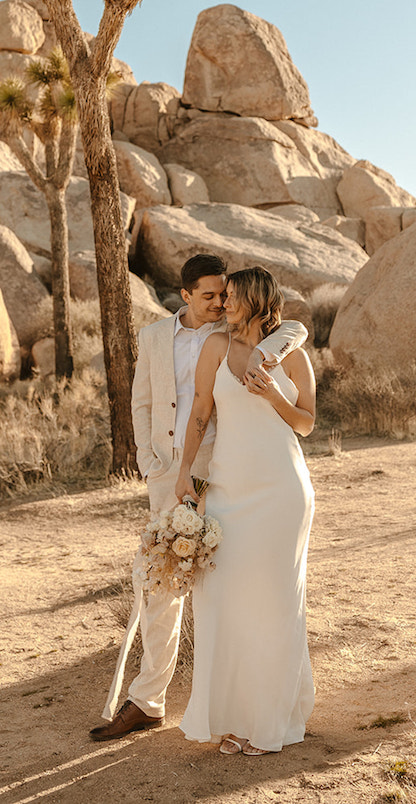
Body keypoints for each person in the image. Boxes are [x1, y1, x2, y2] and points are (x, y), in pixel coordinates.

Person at [90, 254, 308, 742]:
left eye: (224, 294)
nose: (218, 302)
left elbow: (290, 327)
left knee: (227, 587)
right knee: (160, 580)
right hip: (175, 472)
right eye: (208, 295)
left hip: (229, 470)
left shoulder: (254, 337)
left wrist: (280, 348)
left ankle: (245, 700)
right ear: (185, 295)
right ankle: (148, 700)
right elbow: (141, 401)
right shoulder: (153, 337)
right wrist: (156, 467)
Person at [175, 265, 316, 756]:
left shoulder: (292, 353)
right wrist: (184, 471)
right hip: (230, 491)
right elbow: (199, 411)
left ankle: (270, 720)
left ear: (256, 299)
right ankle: (234, 718)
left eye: (232, 296)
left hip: (281, 492)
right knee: (228, 603)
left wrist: (274, 394)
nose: (223, 303)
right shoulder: (216, 347)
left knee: (275, 602)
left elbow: (306, 424)